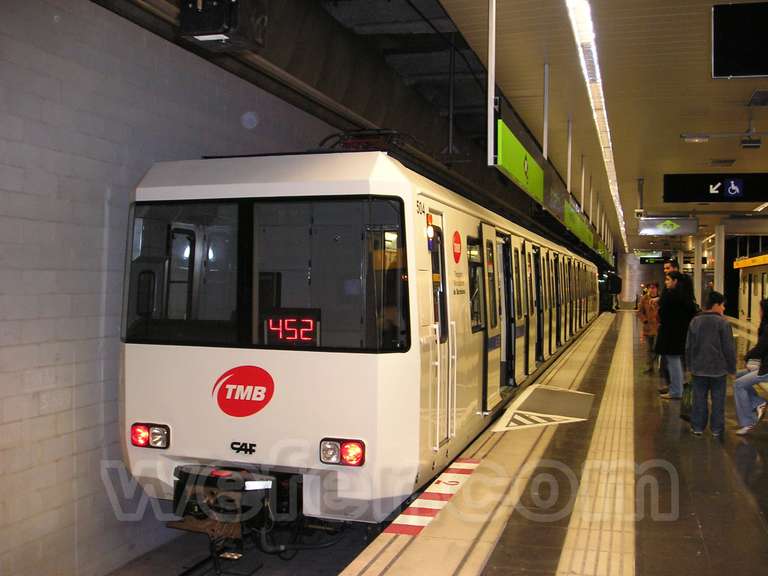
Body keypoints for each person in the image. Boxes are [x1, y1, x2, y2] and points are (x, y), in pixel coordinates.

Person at [685, 291, 736, 437]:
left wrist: (689, 365)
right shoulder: (723, 323)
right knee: (718, 400)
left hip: (698, 368)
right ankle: (716, 429)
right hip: (718, 370)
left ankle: (698, 427)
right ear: (716, 305)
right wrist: (732, 368)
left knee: (699, 399)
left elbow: (689, 346)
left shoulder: (695, 321)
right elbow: (728, 348)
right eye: (722, 305)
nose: (723, 309)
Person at [656, 271, 697, 399]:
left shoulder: (671, 296)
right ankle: (676, 388)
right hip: (681, 334)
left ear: (675, 281)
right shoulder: (686, 297)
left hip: (670, 335)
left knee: (673, 362)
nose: (666, 282)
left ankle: (676, 391)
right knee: (676, 361)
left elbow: (662, 314)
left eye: (668, 280)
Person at [733, 298, 768, 435]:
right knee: (738, 375)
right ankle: (758, 402)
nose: (758, 312)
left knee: (738, 384)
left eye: (760, 309)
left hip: (766, 369)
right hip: (764, 366)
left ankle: (747, 422)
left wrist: (747, 357)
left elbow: (761, 348)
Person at [637, 282, 660, 372]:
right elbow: (639, 312)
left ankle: (658, 365)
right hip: (648, 327)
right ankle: (650, 367)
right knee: (649, 349)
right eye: (650, 288)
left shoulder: (661, 299)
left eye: (653, 288)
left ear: (657, 289)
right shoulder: (644, 299)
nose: (651, 289)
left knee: (656, 348)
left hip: (658, 328)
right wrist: (644, 320)